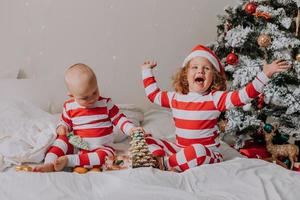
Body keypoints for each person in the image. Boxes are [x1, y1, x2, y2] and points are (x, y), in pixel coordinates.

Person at [141, 44, 290, 172]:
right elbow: (153, 95)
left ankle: (166, 164)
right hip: (179, 148)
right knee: (146, 140)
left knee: (196, 151)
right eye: (195, 67)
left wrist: (265, 74)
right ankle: (159, 158)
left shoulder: (215, 98)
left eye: (206, 68)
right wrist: (147, 71)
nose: (200, 71)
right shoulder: (175, 97)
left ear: (213, 77)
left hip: (207, 152)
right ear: (185, 75)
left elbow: (243, 96)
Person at [35, 63, 141, 172]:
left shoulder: (106, 104)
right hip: (78, 146)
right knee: (61, 140)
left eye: (95, 92)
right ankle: (49, 163)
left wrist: (131, 129)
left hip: (101, 147)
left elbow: (120, 119)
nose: (92, 99)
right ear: (72, 95)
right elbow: (65, 122)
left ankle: (69, 160)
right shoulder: (69, 106)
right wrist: (61, 128)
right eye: (85, 97)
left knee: (106, 157)